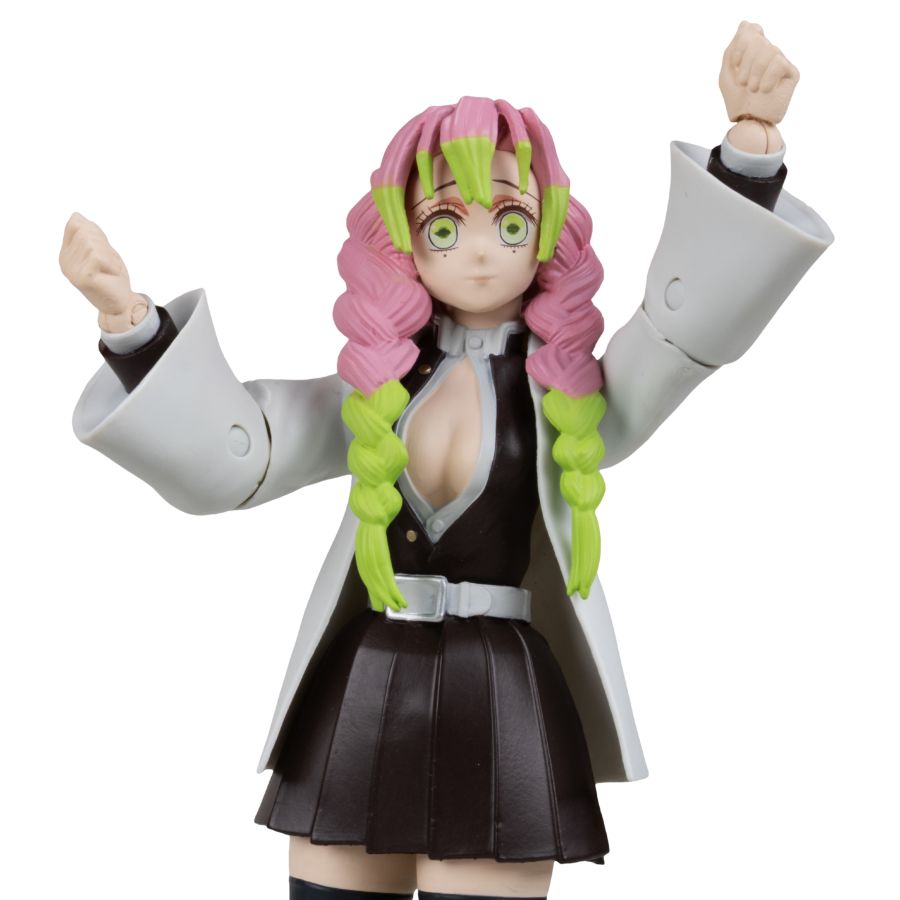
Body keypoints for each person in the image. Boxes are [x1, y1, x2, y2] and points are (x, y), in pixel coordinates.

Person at [61, 21, 833, 900]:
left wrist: (748, 158)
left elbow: (678, 332)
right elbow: (243, 455)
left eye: (510, 219)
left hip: (497, 695)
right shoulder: (375, 389)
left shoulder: (567, 396)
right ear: (402, 239)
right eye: (442, 224)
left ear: (547, 232)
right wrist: (133, 328)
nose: (479, 248)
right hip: (366, 682)